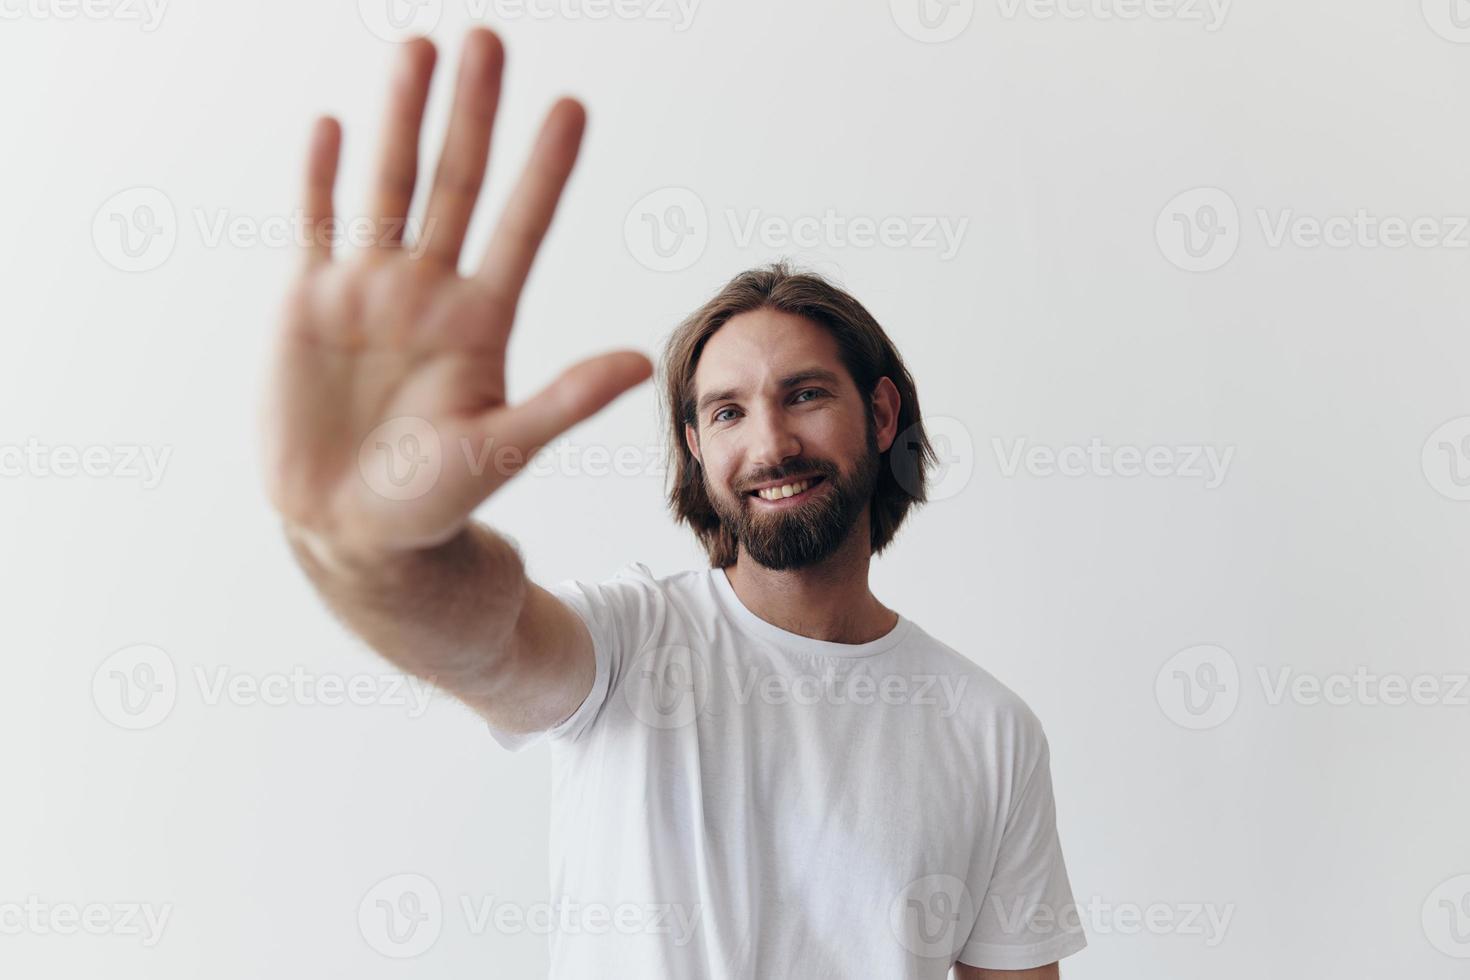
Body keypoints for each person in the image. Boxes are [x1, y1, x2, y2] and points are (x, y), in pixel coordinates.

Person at [259, 26, 1087, 979]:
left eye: (805, 395)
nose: (769, 443)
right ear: (697, 448)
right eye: (727, 411)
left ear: (883, 409)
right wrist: (377, 551)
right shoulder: (625, 648)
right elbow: (479, 638)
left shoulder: (989, 729)